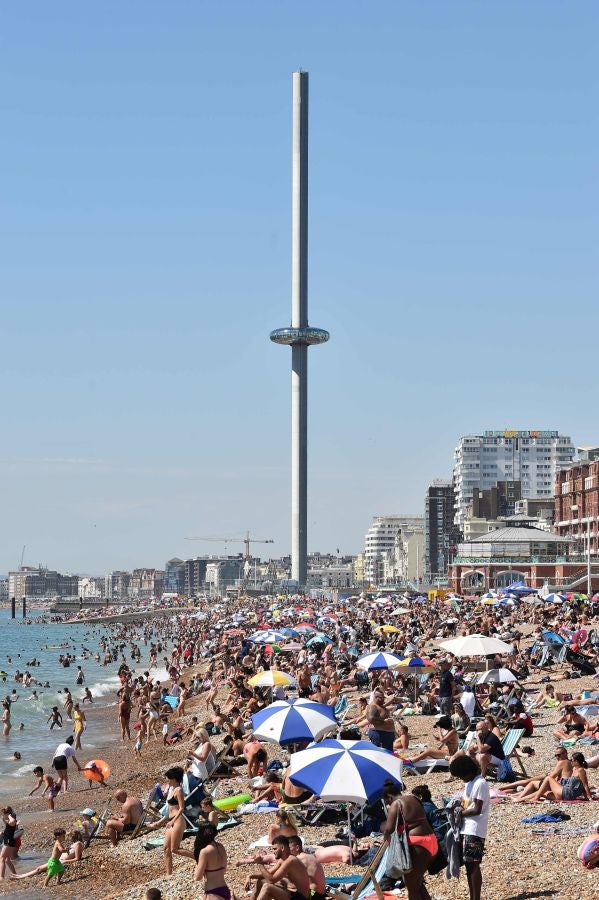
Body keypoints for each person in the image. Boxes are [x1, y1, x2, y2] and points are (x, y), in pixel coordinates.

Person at [382, 780, 437, 900]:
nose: (388, 804)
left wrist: (386, 841)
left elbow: (389, 830)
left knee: (411, 886)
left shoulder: (396, 803)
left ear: (389, 797)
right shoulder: (414, 798)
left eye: (387, 801)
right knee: (417, 883)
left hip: (418, 843)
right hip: (431, 841)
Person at [448, 755, 490, 900]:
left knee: (473, 865)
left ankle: (476, 897)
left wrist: (460, 814)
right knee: (468, 865)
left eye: (461, 776)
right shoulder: (470, 783)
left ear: (468, 771)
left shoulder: (480, 783)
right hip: (466, 828)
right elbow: (466, 803)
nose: (461, 779)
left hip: (475, 829)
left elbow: (477, 809)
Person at [175, 820, 230, 897]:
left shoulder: (205, 852)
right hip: (225, 889)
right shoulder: (221, 847)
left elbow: (197, 877)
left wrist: (197, 865)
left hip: (213, 892)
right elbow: (224, 870)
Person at [146, 767, 186, 875]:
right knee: (166, 849)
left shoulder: (179, 790)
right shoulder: (171, 790)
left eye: (168, 778)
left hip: (177, 821)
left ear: (174, 778)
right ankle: (169, 874)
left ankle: (198, 857)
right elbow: (169, 811)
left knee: (175, 849)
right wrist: (158, 823)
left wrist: (172, 821)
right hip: (171, 820)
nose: (166, 780)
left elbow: (182, 808)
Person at [247, 834, 311, 900]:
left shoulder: (290, 860)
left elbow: (271, 880)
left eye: (275, 849)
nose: (273, 852)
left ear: (282, 848)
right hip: (291, 893)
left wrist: (260, 863)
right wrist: (250, 876)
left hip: (300, 897)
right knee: (261, 881)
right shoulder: (282, 860)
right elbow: (268, 873)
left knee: (267, 887)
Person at [514, 751, 592, 803]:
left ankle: (535, 799)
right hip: (565, 793)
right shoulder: (575, 768)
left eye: (572, 760)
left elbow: (585, 785)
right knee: (543, 792)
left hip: (567, 793)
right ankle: (519, 799)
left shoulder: (581, 770)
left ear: (576, 761)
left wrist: (589, 797)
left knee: (548, 778)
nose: (571, 761)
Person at [288, 835, 326, 900]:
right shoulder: (309, 856)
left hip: (313, 895)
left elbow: (292, 885)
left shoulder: (300, 859)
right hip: (320, 894)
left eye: (289, 849)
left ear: (297, 848)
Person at [0, 807, 18, 879]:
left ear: (7, 814)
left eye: (3, 814)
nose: (2, 815)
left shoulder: (12, 820)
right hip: (8, 841)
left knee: (2, 858)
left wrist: (9, 816)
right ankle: (15, 874)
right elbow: (8, 829)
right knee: (7, 859)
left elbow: (13, 821)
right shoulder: (9, 822)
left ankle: (1, 877)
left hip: (9, 842)